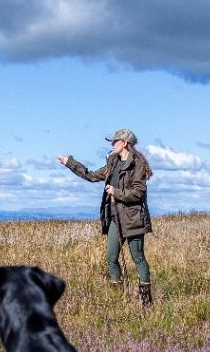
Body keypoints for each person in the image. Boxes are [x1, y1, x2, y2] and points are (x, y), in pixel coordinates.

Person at [57, 128, 154, 307]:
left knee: (138, 258)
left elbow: (138, 193)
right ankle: (118, 301)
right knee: (111, 257)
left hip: (133, 219)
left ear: (125, 143)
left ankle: (146, 303)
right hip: (115, 218)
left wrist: (116, 192)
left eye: (115, 141)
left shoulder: (137, 164)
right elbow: (92, 175)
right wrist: (70, 163)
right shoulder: (112, 163)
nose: (112, 144)